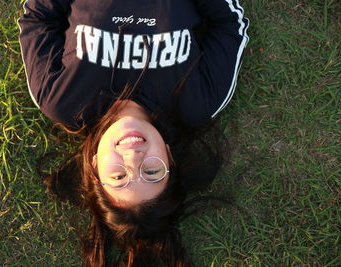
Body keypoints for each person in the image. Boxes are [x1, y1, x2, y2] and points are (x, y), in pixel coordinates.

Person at [18, 0, 249, 266]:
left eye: (118, 176)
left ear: (94, 167)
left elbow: (37, 19)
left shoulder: (62, 100)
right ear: (170, 159)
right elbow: (229, 25)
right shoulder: (198, 102)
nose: (133, 158)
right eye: (151, 172)